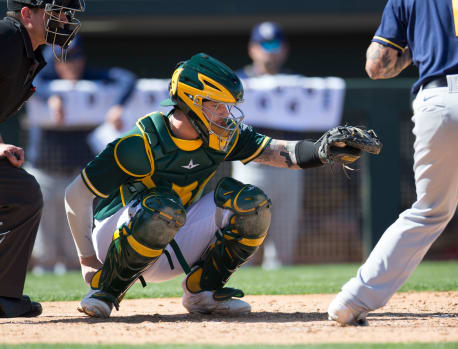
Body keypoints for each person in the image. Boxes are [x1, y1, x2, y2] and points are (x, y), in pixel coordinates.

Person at [65, 52, 375, 319]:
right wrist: (87, 260)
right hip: (115, 238)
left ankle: (202, 292)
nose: (226, 113)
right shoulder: (139, 142)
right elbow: (75, 195)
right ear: (191, 101)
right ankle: (106, 292)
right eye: (217, 105)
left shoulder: (224, 135)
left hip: (172, 230)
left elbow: (278, 152)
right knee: (162, 207)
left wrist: (322, 150)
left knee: (252, 204)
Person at [328, 0, 458, 326]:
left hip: (439, 101)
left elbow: (377, 65)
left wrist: (419, 49)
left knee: (428, 212)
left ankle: (353, 299)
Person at [0, 0, 84, 318]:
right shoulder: (6, 36)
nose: (64, 19)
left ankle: (4, 295)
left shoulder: (25, 49)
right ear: (26, 14)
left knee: (20, 192)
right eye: (55, 13)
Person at [28, 35, 137, 274]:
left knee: (73, 242)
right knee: (45, 245)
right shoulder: (43, 79)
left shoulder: (90, 78)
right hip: (44, 169)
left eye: (76, 58)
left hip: (77, 170)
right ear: (54, 62)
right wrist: (52, 96)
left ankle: (76, 280)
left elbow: (126, 78)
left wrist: (118, 105)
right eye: (65, 59)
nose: (72, 64)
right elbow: (32, 78)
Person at [232, 21, 301, 268]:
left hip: (287, 164)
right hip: (252, 165)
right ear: (252, 48)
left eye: (274, 44)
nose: (269, 50)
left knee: (283, 249)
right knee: (242, 242)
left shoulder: (297, 82)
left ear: (284, 49)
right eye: (263, 44)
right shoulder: (236, 82)